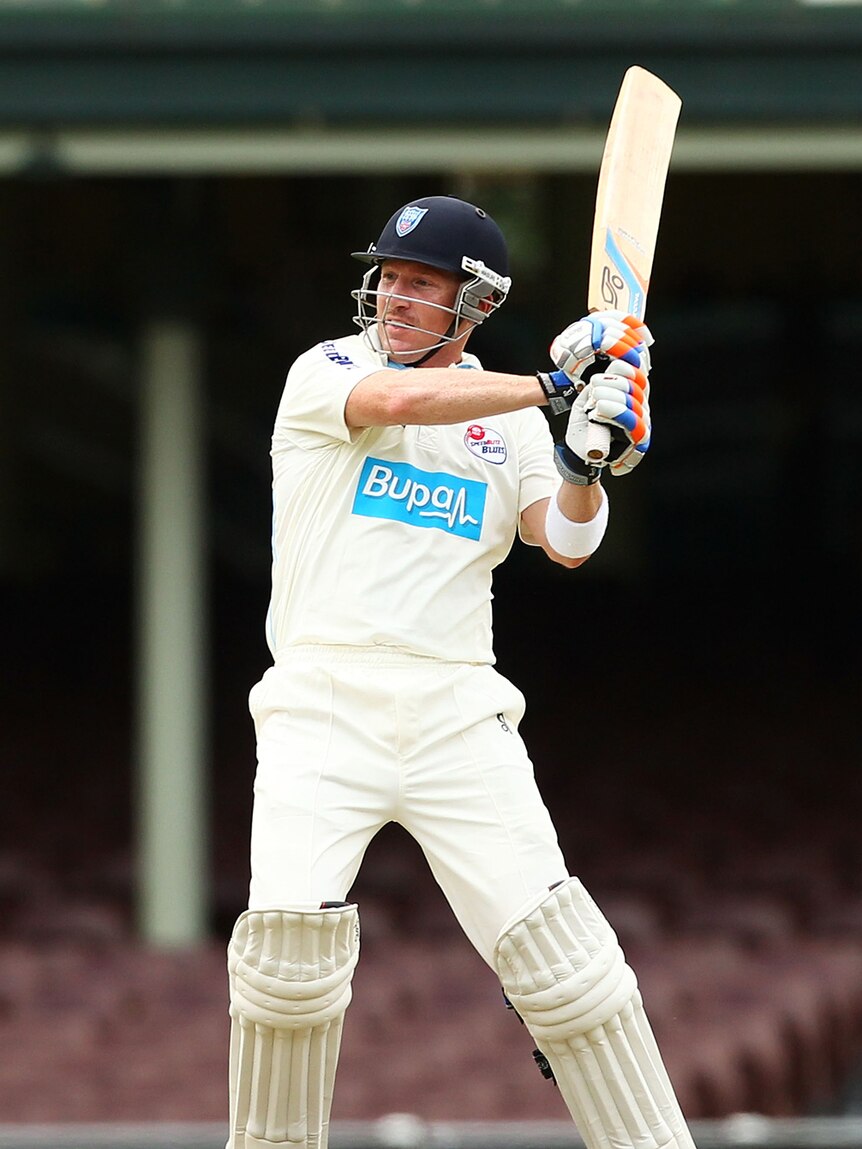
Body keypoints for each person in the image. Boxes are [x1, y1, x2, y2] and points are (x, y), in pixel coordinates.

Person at [226, 195, 695, 1149]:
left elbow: (566, 540)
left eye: (421, 283)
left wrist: (585, 451)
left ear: (471, 302)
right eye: (388, 277)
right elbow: (399, 403)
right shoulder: (329, 371)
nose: (394, 296)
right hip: (321, 701)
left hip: (457, 709)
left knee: (573, 972)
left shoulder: (512, 418)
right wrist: (552, 386)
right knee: (286, 971)